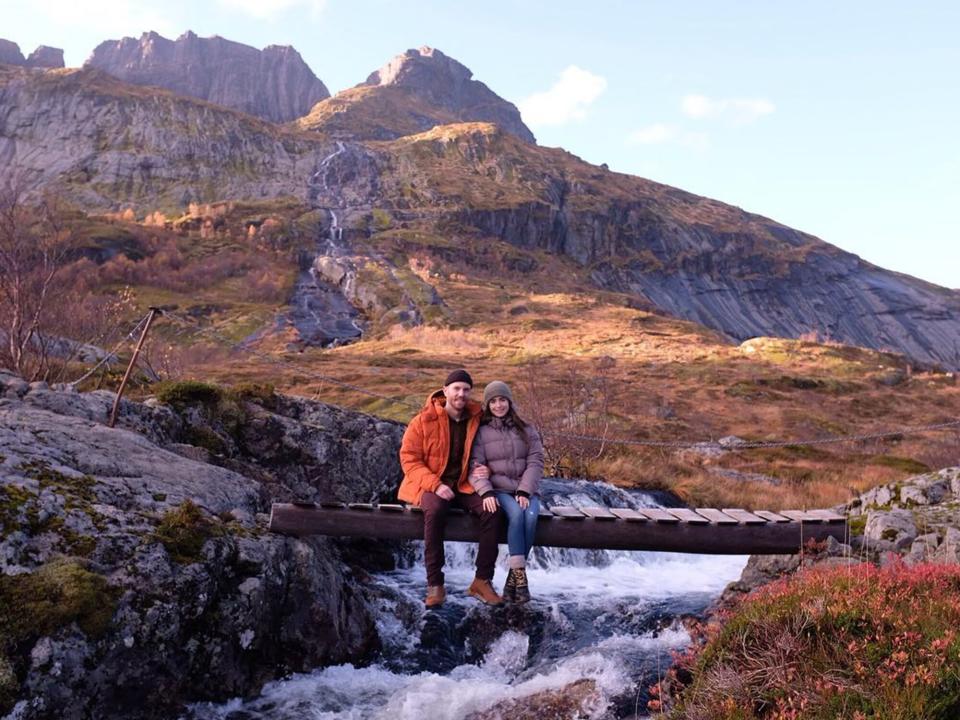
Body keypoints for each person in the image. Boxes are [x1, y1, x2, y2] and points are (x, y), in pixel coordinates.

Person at [398, 369, 503, 608]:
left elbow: (498, 446)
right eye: (456, 388)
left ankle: (482, 581)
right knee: (434, 511)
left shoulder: (478, 418)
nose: (461, 394)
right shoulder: (423, 421)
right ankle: (435, 584)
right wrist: (435, 485)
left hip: (465, 486)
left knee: (492, 510)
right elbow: (409, 459)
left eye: (466, 390)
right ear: (445, 391)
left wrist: (489, 470)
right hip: (429, 485)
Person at [468, 380, 544, 603]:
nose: (499, 405)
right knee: (517, 515)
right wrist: (486, 492)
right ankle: (521, 579)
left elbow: (536, 460)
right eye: (493, 401)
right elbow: (475, 468)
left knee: (530, 517)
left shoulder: (527, 429)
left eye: (502, 400)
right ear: (488, 405)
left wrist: (525, 490)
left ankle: (515, 577)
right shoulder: (481, 433)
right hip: (500, 490)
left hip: (526, 491)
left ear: (509, 402)